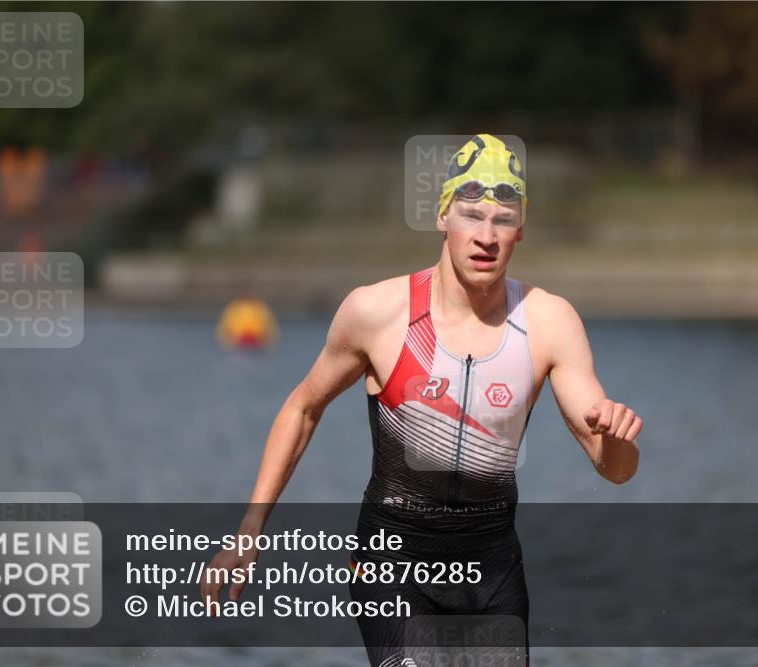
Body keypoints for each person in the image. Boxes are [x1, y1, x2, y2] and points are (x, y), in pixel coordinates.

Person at [201, 133, 643, 666]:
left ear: (520, 229)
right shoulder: (378, 313)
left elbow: (614, 469)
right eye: (471, 214)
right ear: (442, 218)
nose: (486, 236)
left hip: (492, 566)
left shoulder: (548, 322)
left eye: (502, 219)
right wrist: (251, 529)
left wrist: (617, 439)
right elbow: (302, 408)